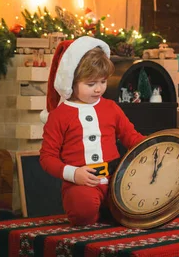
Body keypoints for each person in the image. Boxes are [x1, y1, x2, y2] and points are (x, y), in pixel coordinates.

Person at [39, 36, 145, 225]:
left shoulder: (111, 108)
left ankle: (109, 211)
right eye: (91, 84)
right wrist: (74, 174)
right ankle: (101, 214)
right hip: (81, 183)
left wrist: (154, 146)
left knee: (139, 208)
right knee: (82, 213)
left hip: (116, 180)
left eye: (103, 82)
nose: (98, 89)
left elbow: (131, 137)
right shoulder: (59, 115)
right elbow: (47, 158)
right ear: (72, 81)